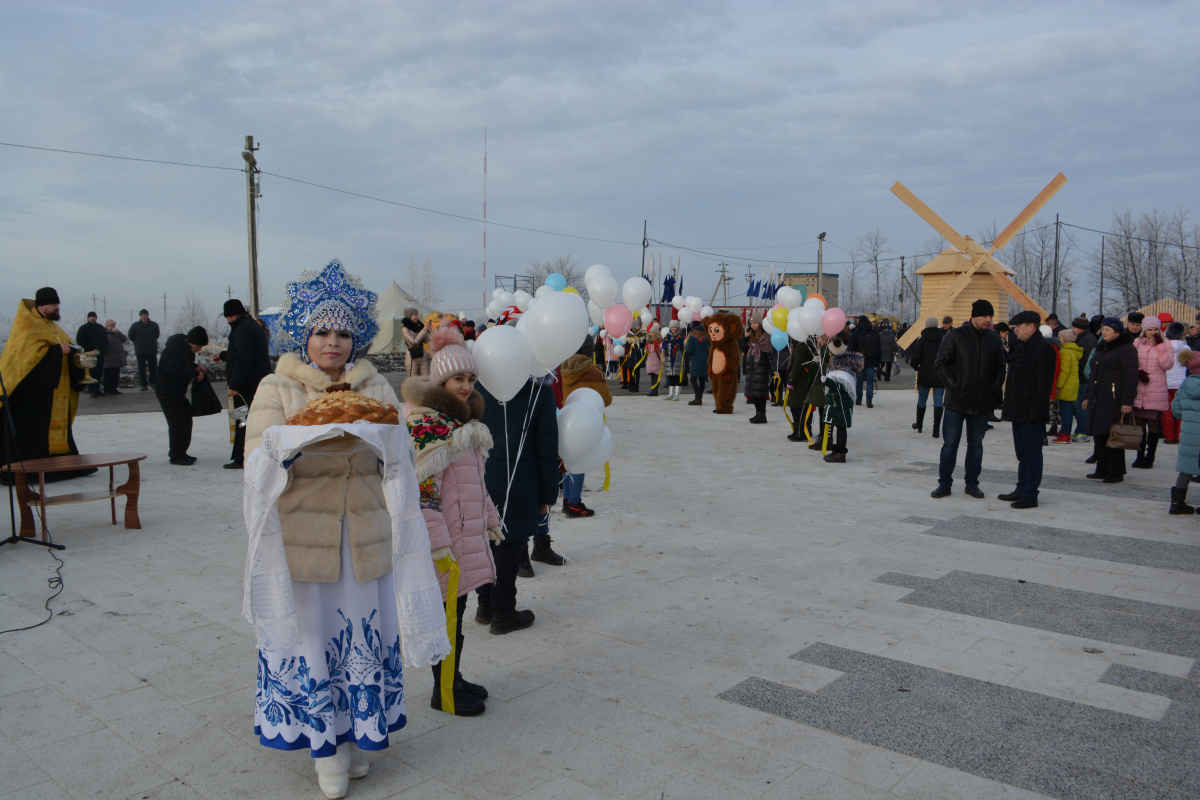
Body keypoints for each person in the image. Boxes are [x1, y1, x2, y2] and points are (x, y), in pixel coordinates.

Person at [243, 260, 448, 799]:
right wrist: (299, 441)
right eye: (321, 332)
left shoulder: (374, 384)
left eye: (341, 333)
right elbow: (256, 457)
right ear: (303, 336)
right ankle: (325, 752)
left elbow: (400, 453)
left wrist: (382, 439)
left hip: (365, 533)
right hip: (305, 537)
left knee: (361, 639)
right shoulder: (278, 386)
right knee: (314, 641)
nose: (332, 343)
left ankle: (357, 740)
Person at [402, 327, 501, 717]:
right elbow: (424, 495)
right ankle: (443, 692)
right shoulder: (430, 427)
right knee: (447, 619)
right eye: (458, 378)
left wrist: (491, 520)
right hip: (444, 545)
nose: (465, 386)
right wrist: (438, 545)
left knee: (456, 617)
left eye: (471, 379)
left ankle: (454, 677)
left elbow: (476, 486)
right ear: (441, 380)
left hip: (464, 538)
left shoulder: (464, 427)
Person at [474, 370, 558, 634]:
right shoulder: (538, 392)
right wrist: (548, 494)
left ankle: (485, 605)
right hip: (522, 479)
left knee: (486, 542)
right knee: (509, 546)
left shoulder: (480, 386)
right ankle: (503, 612)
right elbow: (547, 446)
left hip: (480, 476)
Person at [0, 287, 95, 481]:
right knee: (35, 433)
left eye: (58, 304)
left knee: (56, 430)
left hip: (55, 392)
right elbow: (27, 358)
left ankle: (65, 467)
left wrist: (76, 356)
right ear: (42, 306)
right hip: (32, 395)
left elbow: (65, 346)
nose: (57, 308)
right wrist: (56, 351)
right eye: (54, 304)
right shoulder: (27, 327)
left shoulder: (52, 326)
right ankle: (31, 471)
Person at [931, 299, 1005, 499]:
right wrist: (954, 386)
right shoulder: (955, 336)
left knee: (976, 445)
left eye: (991, 316)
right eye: (985, 316)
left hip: (981, 403)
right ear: (974, 316)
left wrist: (994, 389)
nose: (988, 320)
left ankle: (972, 484)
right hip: (956, 402)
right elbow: (940, 364)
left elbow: (1000, 368)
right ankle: (944, 484)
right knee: (950, 445)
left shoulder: (994, 339)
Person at [997, 311, 1057, 509]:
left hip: (1032, 412)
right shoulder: (1020, 346)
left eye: (1018, 326)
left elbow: (1043, 386)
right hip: (1018, 408)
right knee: (1021, 453)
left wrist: (1035, 412)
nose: (1015, 330)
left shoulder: (1043, 349)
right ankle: (1021, 488)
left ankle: (1031, 493)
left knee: (1032, 454)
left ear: (1031, 326)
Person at [559, 334, 612, 517]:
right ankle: (574, 503)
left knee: (567, 460)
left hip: (564, 419)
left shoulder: (560, 368)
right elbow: (606, 399)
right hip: (585, 421)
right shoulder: (593, 372)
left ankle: (567, 500)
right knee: (580, 461)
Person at [217, 299, 272, 469]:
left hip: (246, 384)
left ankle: (241, 457)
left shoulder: (242, 329)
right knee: (250, 418)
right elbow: (244, 352)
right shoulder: (250, 326)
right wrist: (224, 355)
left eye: (227, 317)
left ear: (234, 315)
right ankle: (248, 453)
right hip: (255, 381)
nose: (227, 321)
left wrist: (234, 385)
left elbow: (244, 358)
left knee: (242, 419)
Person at [1083, 318, 1137, 483]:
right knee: (1099, 434)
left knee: (1113, 435)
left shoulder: (1126, 349)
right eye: (1103, 329)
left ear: (1117, 331)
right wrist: (1087, 395)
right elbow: (1093, 375)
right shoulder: (1102, 347)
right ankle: (1102, 468)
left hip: (1114, 399)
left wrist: (1127, 401)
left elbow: (1131, 376)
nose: (1103, 332)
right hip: (1098, 398)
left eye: (1107, 329)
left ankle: (1116, 471)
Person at [155, 326, 207, 465]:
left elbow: (184, 364)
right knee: (177, 424)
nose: (199, 349)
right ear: (192, 341)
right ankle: (176, 456)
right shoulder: (174, 350)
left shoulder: (185, 349)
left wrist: (194, 366)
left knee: (185, 420)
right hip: (167, 392)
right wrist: (194, 373)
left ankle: (181, 452)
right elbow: (174, 370)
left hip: (177, 392)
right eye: (199, 346)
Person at [1131, 316, 1174, 470]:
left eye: (1155, 329)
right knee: (1139, 424)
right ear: (1144, 330)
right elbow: (1130, 362)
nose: (1152, 332)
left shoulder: (1165, 344)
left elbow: (1167, 364)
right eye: (1149, 329)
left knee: (1153, 423)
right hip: (1139, 389)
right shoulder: (1137, 343)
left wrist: (1161, 346)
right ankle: (1139, 455)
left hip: (1156, 389)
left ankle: (1150, 456)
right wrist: (1138, 372)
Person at [1168, 349, 1200, 513]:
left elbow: (1176, 409)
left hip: (1188, 433)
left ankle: (1176, 504)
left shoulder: (1185, 384)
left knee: (1186, 468)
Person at [820, 337, 860, 463]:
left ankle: (839, 453)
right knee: (839, 425)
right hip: (842, 399)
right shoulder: (848, 363)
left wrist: (827, 381)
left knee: (841, 425)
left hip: (839, 400)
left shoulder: (838, 365)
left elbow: (839, 384)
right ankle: (837, 450)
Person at [908, 317, 946, 436]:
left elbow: (915, 358)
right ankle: (936, 429)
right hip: (939, 375)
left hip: (924, 374)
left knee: (922, 400)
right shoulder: (943, 340)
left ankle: (919, 425)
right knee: (939, 402)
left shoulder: (922, 340)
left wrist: (917, 368)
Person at [786, 334, 822, 442]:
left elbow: (797, 365)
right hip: (805, 379)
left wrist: (791, 381)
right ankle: (803, 430)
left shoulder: (802, 346)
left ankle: (801, 432)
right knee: (803, 407)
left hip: (800, 381)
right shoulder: (809, 344)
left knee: (797, 406)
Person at [743, 312, 775, 424]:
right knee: (754, 394)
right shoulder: (751, 337)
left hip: (761, 370)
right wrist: (746, 336)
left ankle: (762, 415)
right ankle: (758, 414)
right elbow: (743, 349)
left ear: (760, 323)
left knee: (760, 394)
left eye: (755, 323)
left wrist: (774, 370)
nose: (753, 325)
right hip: (752, 370)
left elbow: (769, 355)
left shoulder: (765, 337)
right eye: (751, 323)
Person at [1053, 329, 1084, 443]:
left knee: (1065, 411)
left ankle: (1065, 434)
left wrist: (1058, 386)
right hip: (1072, 384)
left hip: (1065, 386)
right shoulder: (1074, 351)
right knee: (1069, 410)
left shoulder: (1065, 352)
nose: (1059, 340)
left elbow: (1063, 371)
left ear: (1065, 340)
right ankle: (1066, 433)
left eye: (1060, 338)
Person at [1162, 322, 1188, 445]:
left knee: (1166, 411)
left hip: (1165, 382)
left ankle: (1168, 437)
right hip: (1181, 384)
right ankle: (1179, 436)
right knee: (1180, 411)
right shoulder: (1186, 348)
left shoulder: (1163, 347)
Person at [849, 316, 880, 407]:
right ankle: (869, 400)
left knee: (859, 381)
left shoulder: (856, 333)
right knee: (870, 380)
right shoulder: (874, 332)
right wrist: (879, 361)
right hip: (871, 360)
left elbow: (851, 348)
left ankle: (859, 400)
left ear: (859, 321)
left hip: (859, 361)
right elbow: (878, 348)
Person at [127, 309, 160, 391]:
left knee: (153, 367)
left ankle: (152, 382)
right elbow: (131, 335)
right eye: (142, 315)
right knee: (141, 367)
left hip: (151, 349)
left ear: (148, 316)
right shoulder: (135, 325)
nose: (144, 317)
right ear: (140, 316)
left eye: (145, 315)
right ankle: (143, 385)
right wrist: (138, 342)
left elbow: (157, 334)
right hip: (140, 350)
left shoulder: (154, 325)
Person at [76, 311, 107, 396]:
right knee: (92, 372)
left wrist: (104, 349)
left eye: (94, 316)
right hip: (90, 354)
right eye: (90, 317)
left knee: (99, 372)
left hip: (100, 354)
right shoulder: (84, 328)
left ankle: (97, 389)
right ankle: (92, 390)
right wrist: (89, 348)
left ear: (96, 318)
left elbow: (105, 339)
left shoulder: (100, 327)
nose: (92, 318)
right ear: (88, 318)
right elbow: (79, 340)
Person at [684, 321, 709, 405]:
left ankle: (698, 398)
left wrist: (685, 345)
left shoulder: (692, 336)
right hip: (704, 360)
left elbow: (689, 350)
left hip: (695, 361)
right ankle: (700, 397)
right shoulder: (706, 336)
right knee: (702, 379)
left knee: (693, 379)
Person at [660, 319, 685, 401]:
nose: (673, 329)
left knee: (677, 377)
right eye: (672, 327)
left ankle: (677, 394)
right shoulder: (667, 337)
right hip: (669, 360)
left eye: (675, 327)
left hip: (678, 360)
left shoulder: (681, 337)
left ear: (677, 328)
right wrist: (663, 350)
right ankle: (670, 394)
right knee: (670, 377)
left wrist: (685, 344)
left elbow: (684, 348)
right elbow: (663, 345)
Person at [102, 319, 128, 396]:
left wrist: (117, 333)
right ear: (107, 326)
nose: (112, 327)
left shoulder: (116, 333)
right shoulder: (104, 333)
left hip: (117, 358)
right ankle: (107, 390)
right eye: (111, 326)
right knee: (108, 375)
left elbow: (124, 339)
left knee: (115, 374)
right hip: (108, 358)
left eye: (113, 326)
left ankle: (114, 389)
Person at [401, 307, 429, 376]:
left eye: (418, 315)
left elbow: (427, 340)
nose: (417, 317)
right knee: (413, 381)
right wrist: (423, 331)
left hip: (422, 355)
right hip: (412, 356)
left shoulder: (420, 326)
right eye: (415, 315)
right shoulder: (405, 329)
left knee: (425, 379)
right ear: (410, 316)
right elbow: (413, 342)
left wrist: (429, 331)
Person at [644, 322, 663, 397]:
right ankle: (652, 389)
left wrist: (662, 359)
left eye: (653, 333)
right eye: (651, 332)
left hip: (656, 361)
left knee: (656, 376)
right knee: (652, 376)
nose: (652, 334)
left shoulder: (659, 342)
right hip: (650, 361)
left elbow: (661, 352)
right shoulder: (648, 342)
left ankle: (655, 390)